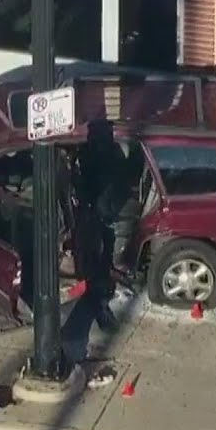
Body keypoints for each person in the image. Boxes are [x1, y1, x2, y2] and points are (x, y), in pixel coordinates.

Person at [76, 120, 127, 331]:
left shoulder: (87, 153)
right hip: (104, 211)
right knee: (101, 258)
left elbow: (83, 181)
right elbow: (122, 177)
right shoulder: (112, 152)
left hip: (95, 212)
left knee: (95, 259)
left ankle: (98, 296)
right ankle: (100, 300)